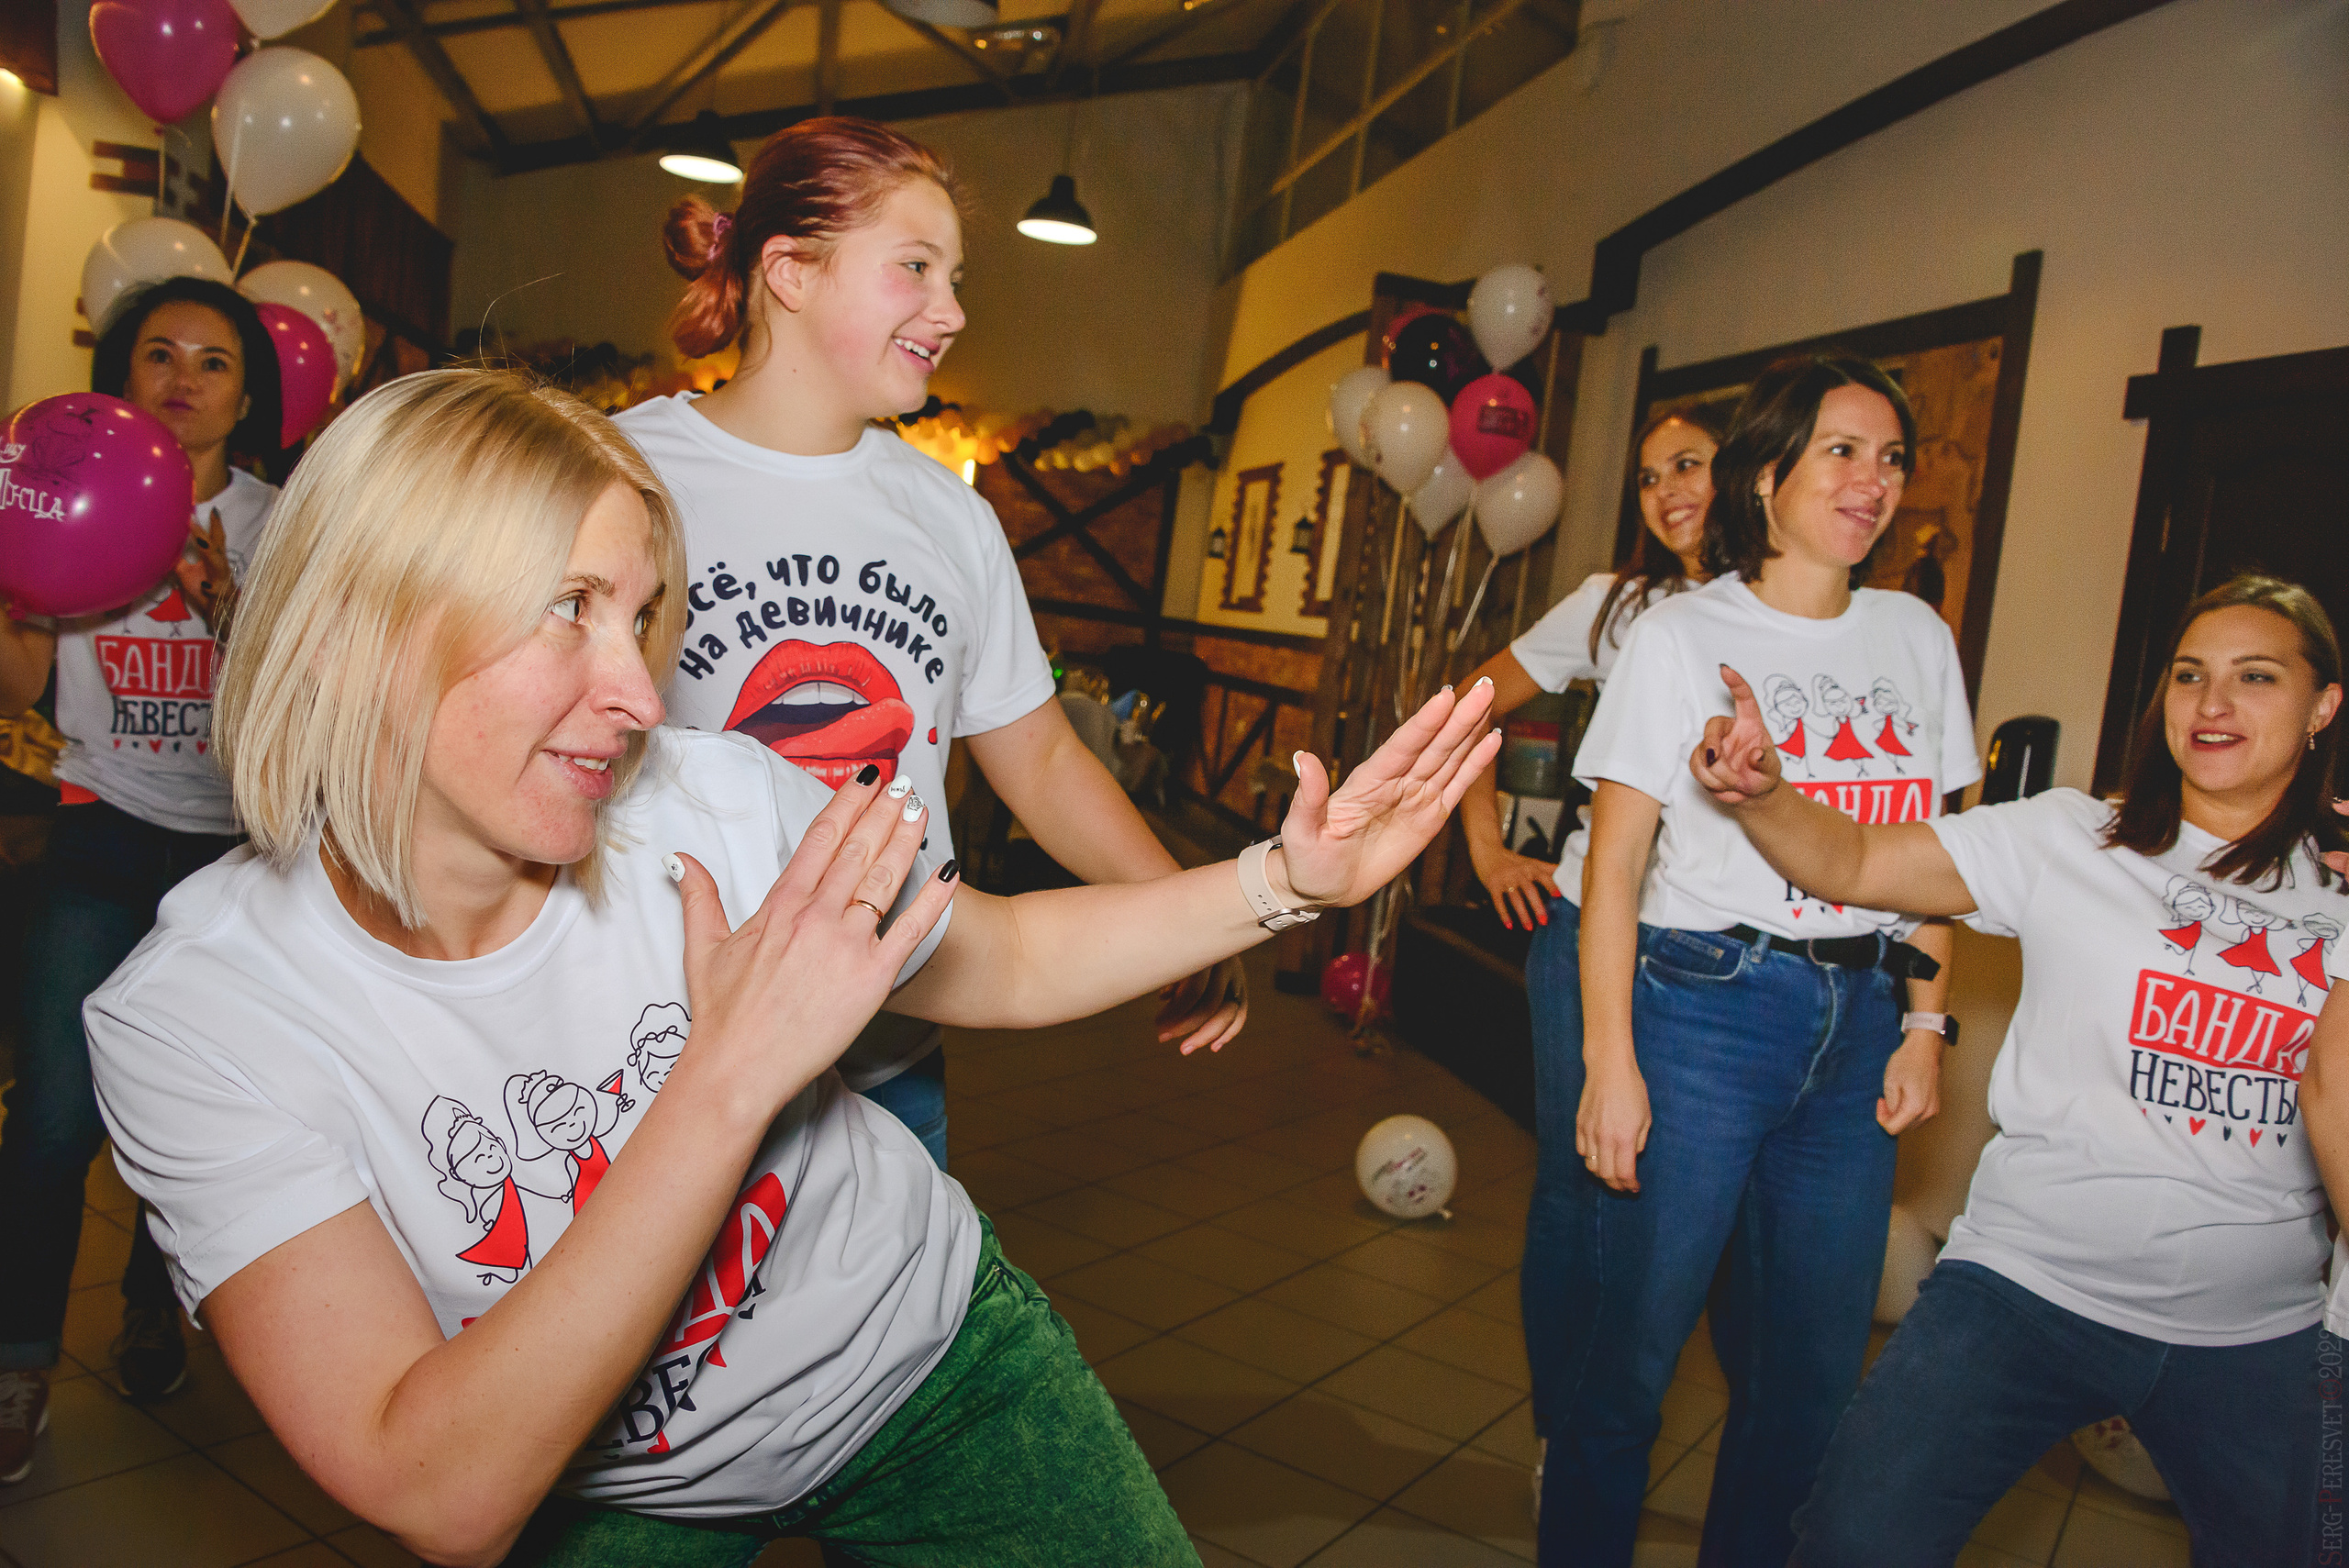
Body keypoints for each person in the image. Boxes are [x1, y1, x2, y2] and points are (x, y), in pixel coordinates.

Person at [80, 369, 1499, 1568]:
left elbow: (996, 957)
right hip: (607, 1484)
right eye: (565, 606)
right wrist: (729, 1073)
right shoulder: (199, 1020)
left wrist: (1280, 884)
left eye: (638, 617)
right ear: (357, 627)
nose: (639, 691)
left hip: (932, 1365)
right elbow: (434, 1481)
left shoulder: (707, 798)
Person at [614, 118, 1241, 1169]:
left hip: (886, 1058)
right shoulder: (623, 471)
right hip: (651, 1036)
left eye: (954, 276)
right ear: (791, 271)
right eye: (915, 267)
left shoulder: (948, 517)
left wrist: (1182, 912)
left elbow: (1039, 758)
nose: (951, 311)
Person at [1687, 573, 2343, 1568]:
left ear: (2321, 706)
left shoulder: (2339, 897)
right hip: (2028, 1290)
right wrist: (1765, 795)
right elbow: (1857, 860)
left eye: (2255, 677)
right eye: (2188, 675)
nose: (2212, 704)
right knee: (1853, 1541)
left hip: (2257, 1330)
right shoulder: (2069, 835)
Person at [1542, 353, 1976, 1567]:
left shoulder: (1916, 636)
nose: (1872, 481)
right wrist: (1610, 1061)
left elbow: (1932, 855)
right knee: (1631, 1359)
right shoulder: (1683, 635)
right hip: (1703, 1015)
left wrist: (1928, 1027)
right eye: (1842, 451)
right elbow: (1615, 868)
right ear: (1769, 475)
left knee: (1808, 1382)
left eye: (1891, 458)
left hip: (1859, 1028)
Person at [0, 275, 283, 1471]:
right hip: (100, 837)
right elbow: (19, 692)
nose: (183, 377)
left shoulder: (280, 520)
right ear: (118, 373)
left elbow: (308, 704)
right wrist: (21, 585)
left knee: (194, 1124)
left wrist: (227, 607)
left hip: (238, 860)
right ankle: (16, 1368)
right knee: (54, 1119)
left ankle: (154, 1314)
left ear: (248, 393)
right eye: (158, 351)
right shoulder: (62, 495)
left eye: (213, 360)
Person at [1450, 404, 1721, 1513]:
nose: (1667, 493)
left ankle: (1620, 1416)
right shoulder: (1620, 605)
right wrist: (1481, 841)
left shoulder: (1793, 613)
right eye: (1650, 474)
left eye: (1690, 465)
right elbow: (1469, 701)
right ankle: (1566, 1431)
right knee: (1575, 1182)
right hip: (1581, 925)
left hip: (1716, 957)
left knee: (1670, 1195)